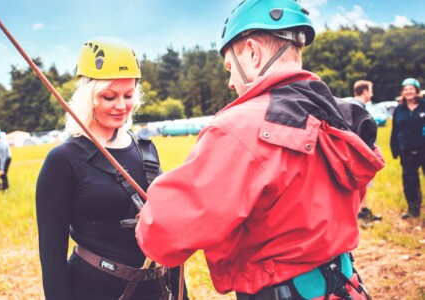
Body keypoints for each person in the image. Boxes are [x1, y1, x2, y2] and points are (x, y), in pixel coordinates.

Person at [136, 1, 385, 299]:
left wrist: (151, 212)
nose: (230, 82)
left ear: (252, 52)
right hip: (345, 286)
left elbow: (165, 235)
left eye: (230, 67)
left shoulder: (238, 127)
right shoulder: (341, 117)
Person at [36, 37, 187, 300]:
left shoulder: (146, 150)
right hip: (93, 289)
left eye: (128, 95)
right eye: (109, 96)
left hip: (155, 289)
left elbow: (165, 234)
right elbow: (51, 257)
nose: (121, 106)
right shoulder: (63, 160)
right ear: (88, 96)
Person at [390, 78, 425, 219]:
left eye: (411, 88)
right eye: (406, 89)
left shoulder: (423, 106)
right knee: (410, 180)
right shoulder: (399, 109)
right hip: (406, 151)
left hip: (423, 150)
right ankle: (413, 209)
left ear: (417, 91)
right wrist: (394, 148)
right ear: (403, 92)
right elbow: (395, 129)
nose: (408, 91)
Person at [350, 80, 382, 223]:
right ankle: (360, 213)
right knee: (360, 183)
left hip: (354, 152)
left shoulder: (351, 104)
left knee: (362, 184)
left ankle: (363, 210)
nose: (372, 93)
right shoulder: (357, 107)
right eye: (371, 90)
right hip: (358, 153)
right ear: (364, 91)